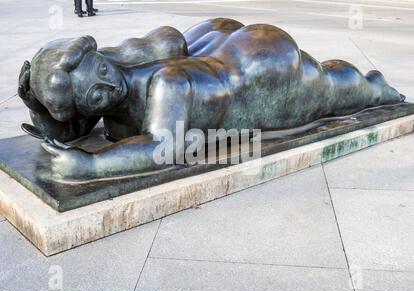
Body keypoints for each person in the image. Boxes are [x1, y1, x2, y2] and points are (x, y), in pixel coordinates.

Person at [18, 19, 405, 182]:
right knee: (331, 84)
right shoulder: (113, 92)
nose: (110, 86)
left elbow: (164, 147)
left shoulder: (165, 82)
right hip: (227, 54)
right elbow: (71, 132)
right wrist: (37, 103)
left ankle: (379, 87)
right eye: (96, 95)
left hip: (262, 72)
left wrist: (92, 166)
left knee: (337, 90)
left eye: (102, 70)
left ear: (100, 57)